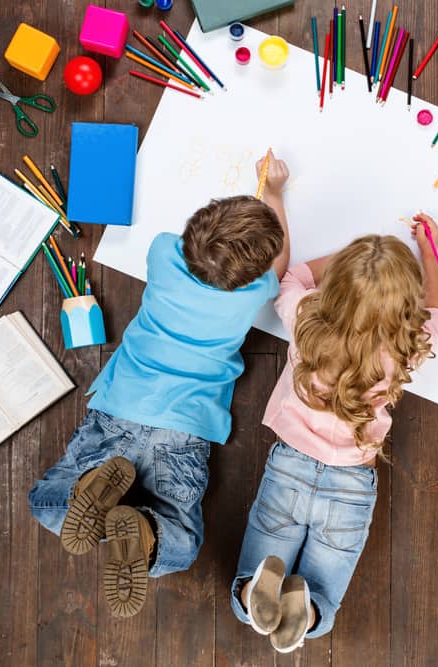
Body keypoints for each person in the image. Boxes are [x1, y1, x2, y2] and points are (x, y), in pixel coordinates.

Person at [28, 151, 290, 617]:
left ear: (192, 234)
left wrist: (248, 205)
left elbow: (218, 245)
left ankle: (103, 497)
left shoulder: (164, 251)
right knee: (180, 542)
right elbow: (281, 264)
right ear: (251, 278)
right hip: (183, 431)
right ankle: (140, 530)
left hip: (121, 407)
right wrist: (273, 193)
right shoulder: (256, 291)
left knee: (50, 503)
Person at [230, 217, 438, 652]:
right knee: (324, 597)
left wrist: (357, 259)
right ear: (407, 303)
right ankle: (304, 612)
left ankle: (257, 594)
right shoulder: (410, 342)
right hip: (350, 485)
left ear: (336, 286)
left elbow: (293, 275)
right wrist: (427, 250)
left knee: (250, 584)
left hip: (289, 468)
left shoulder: (307, 318)